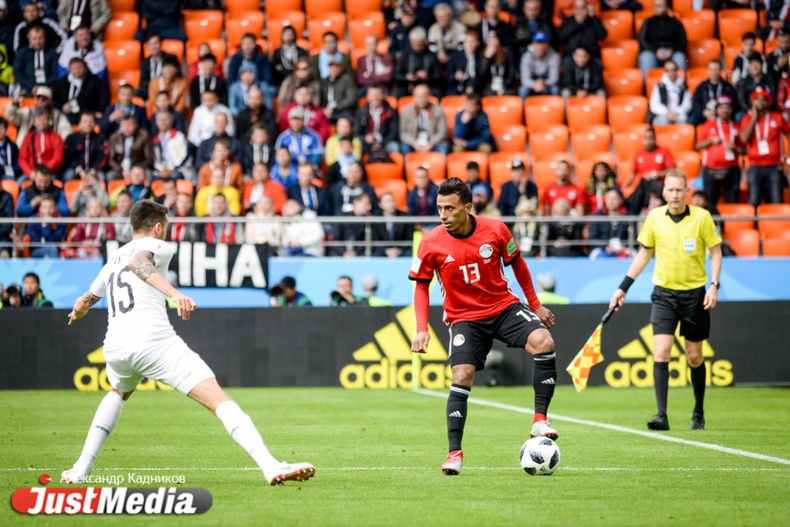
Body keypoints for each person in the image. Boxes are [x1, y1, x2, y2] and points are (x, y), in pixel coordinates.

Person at [61, 200, 315, 486]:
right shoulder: (158, 245)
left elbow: (84, 301)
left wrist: (77, 312)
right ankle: (270, 465)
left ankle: (81, 468)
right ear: (158, 227)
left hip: (116, 347)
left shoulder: (113, 259)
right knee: (219, 400)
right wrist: (174, 294)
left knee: (118, 393)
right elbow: (138, 263)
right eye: (166, 227)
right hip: (152, 341)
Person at [409, 177, 558, 475]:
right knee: (462, 375)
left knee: (544, 342)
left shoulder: (496, 229)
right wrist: (421, 328)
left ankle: (540, 419)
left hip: (503, 308)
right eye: (439, 208)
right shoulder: (430, 242)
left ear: (467, 208)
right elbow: (421, 286)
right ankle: (454, 453)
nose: (443, 215)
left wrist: (534, 303)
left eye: (449, 208)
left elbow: (518, 263)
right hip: (464, 318)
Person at [610, 170, 722, 432]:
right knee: (661, 351)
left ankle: (698, 412)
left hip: (695, 295)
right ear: (664, 192)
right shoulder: (655, 217)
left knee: (694, 356)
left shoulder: (702, 217)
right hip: (663, 295)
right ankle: (661, 415)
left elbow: (716, 252)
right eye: (670, 190)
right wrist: (622, 288)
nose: (674, 195)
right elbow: (643, 255)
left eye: (678, 190)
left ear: (686, 192)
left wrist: (714, 285)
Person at [739, 87, 790, 207]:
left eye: (763, 99)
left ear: (768, 102)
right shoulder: (747, 118)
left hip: (775, 166)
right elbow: (744, 138)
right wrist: (754, 119)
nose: (760, 102)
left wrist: (788, 160)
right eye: (757, 99)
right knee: (753, 200)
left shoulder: (777, 117)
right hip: (755, 166)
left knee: (776, 200)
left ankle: (777, 221)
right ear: (752, 102)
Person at [695, 96, 743, 205]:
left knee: (732, 202)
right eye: (722, 107)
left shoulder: (736, 126)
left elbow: (744, 149)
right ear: (716, 110)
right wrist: (710, 141)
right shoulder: (709, 125)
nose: (725, 110)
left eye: (727, 108)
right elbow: (697, 145)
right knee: (710, 202)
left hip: (731, 169)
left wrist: (735, 148)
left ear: (732, 110)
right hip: (710, 169)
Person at [636, 0, 687, 78]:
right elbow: (642, 41)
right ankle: (645, 85)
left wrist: (672, 50)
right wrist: (655, 50)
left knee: (680, 58)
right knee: (646, 58)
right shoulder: (648, 22)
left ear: (667, 8)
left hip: (672, 52)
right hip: (652, 52)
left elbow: (682, 42)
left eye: (659, 6)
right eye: (655, 6)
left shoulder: (676, 23)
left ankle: (681, 84)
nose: (655, 8)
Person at [53, 56, 107, 125]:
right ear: (70, 69)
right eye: (74, 68)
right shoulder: (63, 82)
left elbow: (104, 97)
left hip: (88, 114)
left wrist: (98, 111)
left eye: (79, 68)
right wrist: (62, 107)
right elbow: (55, 99)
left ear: (85, 68)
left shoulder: (95, 81)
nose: (77, 70)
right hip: (67, 114)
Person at [399, 83, 448, 155]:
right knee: (404, 148)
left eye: (424, 96)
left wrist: (431, 144)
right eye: (418, 96)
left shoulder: (438, 110)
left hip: (432, 140)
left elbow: (443, 132)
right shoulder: (407, 110)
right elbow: (403, 133)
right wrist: (414, 143)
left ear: (429, 96)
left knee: (442, 149)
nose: (421, 99)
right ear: (414, 97)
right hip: (413, 141)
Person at [394, 27, 442, 97]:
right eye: (415, 45)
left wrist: (427, 77)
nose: (417, 48)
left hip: (428, 85)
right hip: (409, 85)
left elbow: (438, 75)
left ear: (424, 42)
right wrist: (406, 77)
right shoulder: (404, 55)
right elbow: (396, 75)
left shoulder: (431, 55)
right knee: (400, 94)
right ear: (410, 42)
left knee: (437, 93)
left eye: (420, 45)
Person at [690, 60, 738, 126]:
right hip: (706, 113)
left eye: (716, 69)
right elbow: (695, 103)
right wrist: (704, 112)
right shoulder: (701, 86)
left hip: (723, 114)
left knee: (737, 117)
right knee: (692, 119)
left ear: (721, 70)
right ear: (708, 71)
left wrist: (720, 112)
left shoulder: (728, 87)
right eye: (711, 70)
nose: (714, 72)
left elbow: (733, 104)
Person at [19, 108, 64, 178]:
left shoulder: (56, 137)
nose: (41, 122)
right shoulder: (28, 138)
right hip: (32, 172)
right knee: (19, 183)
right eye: (39, 119)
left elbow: (58, 157)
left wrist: (45, 171)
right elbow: (22, 159)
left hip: (50, 172)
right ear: (34, 122)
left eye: (44, 119)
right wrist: (30, 172)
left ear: (48, 121)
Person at [106, 115, 154, 182]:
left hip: (138, 167)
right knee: (110, 175)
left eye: (129, 126)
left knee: (149, 174)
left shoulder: (144, 136)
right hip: (121, 169)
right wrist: (121, 170)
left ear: (135, 125)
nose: (127, 129)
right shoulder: (114, 138)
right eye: (124, 126)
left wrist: (136, 169)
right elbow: (111, 159)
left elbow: (149, 158)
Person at [62, 112, 107, 182]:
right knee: (68, 176)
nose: (88, 124)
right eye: (85, 121)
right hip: (76, 169)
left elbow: (101, 157)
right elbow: (70, 157)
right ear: (79, 123)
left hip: (95, 170)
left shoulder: (101, 138)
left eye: (91, 121)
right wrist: (80, 170)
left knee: (102, 177)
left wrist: (93, 170)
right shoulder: (71, 138)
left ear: (95, 123)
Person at [588, 188, 631, 259]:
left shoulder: (629, 216)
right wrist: (605, 247)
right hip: (602, 249)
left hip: (622, 249)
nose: (611, 202)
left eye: (614, 199)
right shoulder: (598, 216)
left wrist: (624, 246)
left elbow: (634, 237)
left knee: (632, 255)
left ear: (621, 200)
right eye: (608, 199)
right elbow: (593, 238)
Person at [357, 84, 399, 156]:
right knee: (357, 146)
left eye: (378, 95)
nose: (375, 98)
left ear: (383, 96)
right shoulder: (361, 112)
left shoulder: (391, 112)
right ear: (367, 96)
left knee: (394, 147)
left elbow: (393, 133)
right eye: (373, 95)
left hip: (385, 141)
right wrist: (365, 138)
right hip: (367, 143)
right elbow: (357, 133)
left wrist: (381, 141)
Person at [518, 31, 561, 98]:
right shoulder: (527, 56)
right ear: (533, 44)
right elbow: (524, 79)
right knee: (523, 90)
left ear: (547, 45)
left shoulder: (554, 56)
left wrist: (544, 83)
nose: (540, 47)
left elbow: (554, 79)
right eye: (538, 43)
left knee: (555, 89)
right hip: (532, 86)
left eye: (543, 43)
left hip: (547, 85)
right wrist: (534, 84)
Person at [648, 60, 691, 125]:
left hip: (679, 113)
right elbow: (654, 105)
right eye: (668, 70)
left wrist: (676, 112)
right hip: (663, 114)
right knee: (662, 121)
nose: (671, 73)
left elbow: (687, 104)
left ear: (677, 70)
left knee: (683, 120)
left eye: (674, 70)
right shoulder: (660, 86)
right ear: (665, 72)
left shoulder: (683, 86)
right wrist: (667, 112)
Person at [137, 32, 178, 100]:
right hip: (150, 90)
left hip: (166, 89)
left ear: (161, 43)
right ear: (147, 46)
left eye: (156, 43)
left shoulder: (171, 58)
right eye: (150, 44)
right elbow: (143, 81)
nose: (153, 47)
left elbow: (177, 76)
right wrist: (153, 87)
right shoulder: (144, 63)